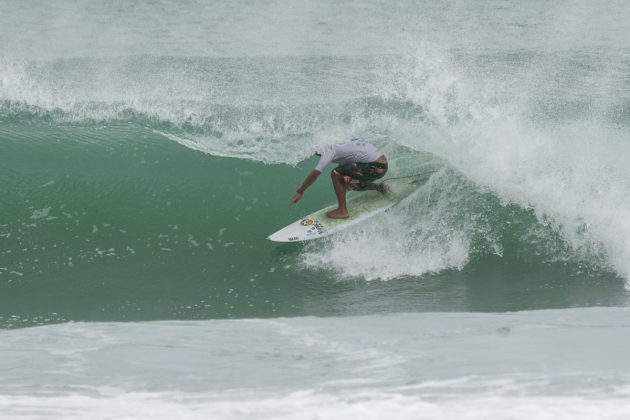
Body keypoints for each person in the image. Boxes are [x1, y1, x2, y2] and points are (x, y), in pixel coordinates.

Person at [289, 139, 388, 219]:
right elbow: (349, 166)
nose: (316, 154)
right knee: (349, 183)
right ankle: (380, 188)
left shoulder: (330, 151)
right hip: (381, 166)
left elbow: (315, 173)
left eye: (315, 152)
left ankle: (342, 210)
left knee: (335, 173)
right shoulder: (341, 145)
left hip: (374, 167)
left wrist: (300, 191)